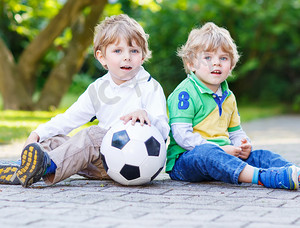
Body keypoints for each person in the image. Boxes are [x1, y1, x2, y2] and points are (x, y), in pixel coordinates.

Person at [0, 14, 169, 187]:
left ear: (142, 56)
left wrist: (146, 115)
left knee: (92, 135)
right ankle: (25, 169)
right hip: (99, 161)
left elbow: (163, 131)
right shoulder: (98, 89)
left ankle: (45, 167)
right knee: (53, 141)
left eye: (134, 51)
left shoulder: (150, 87)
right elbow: (69, 118)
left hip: (135, 163)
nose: (127, 57)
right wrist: (37, 133)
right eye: (118, 51)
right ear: (101, 57)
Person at [166, 22, 300, 190]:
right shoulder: (185, 93)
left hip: (224, 155)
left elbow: (235, 131)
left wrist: (242, 145)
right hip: (186, 161)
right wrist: (221, 149)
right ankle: (263, 177)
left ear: (231, 65)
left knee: (260, 156)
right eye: (207, 57)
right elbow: (182, 135)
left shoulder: (228, 96)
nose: (216, 63)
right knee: (208, 154)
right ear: (191, 64)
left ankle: (293, 173)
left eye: (223, 58)